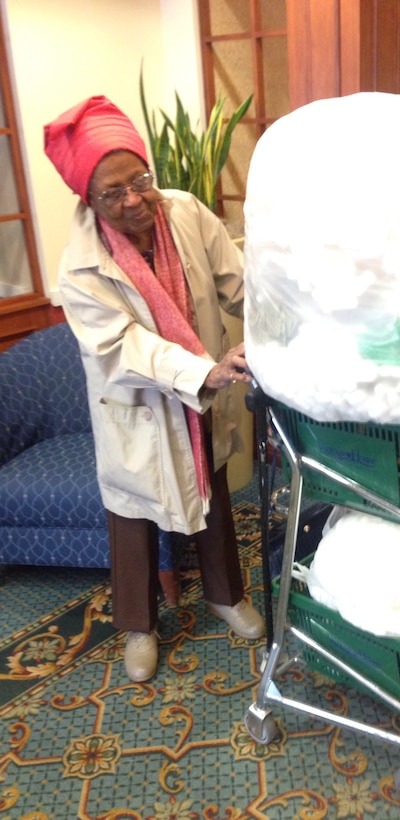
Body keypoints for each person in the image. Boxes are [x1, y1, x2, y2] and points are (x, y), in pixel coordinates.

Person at [44, 95, 265, 683]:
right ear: (87, 200)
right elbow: (121, 345)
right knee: (133, 519)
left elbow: (236, 285)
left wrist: (286, 319)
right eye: (113, 192)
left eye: (139, 178)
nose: (134, 198)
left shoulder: (188, 212)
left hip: (201, 401)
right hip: (136, 408)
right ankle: (138, 626)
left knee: (214, 497)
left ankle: (225, 596)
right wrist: (204, 371)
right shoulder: (80, 267)